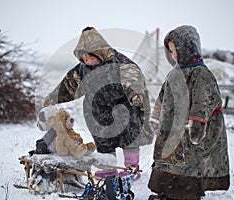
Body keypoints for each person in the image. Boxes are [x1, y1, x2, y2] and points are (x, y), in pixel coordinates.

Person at [34, 27, 153, 179]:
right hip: (97, 108)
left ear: (99, 52)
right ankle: (109, 167)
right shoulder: (83, 70)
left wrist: (134, 96)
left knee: (128, 137)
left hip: (123, 106)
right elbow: (69, 85)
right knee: (103, 138)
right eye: (84, 60)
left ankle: (131, 168)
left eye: (91, 58)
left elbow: (133, 78)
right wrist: (52, 99)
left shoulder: (119, 62)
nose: (88, 62)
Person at [148, 25, 230, 199]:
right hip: (170, 130)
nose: (173, 55)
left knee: (189, 164)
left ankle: (186, 195)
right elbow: (163, 96)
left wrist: (197, 125)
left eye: (175, 50)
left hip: (189, 131)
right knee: (168, 160)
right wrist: (156, 116)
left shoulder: (201, 74)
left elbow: (203, 100)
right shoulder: (173, 74)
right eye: (170, 51)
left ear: (188, 48)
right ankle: (168, 192)